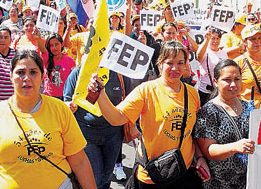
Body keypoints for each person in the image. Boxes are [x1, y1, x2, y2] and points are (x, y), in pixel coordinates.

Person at [87, 41, 210, 188]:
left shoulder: (192, 93)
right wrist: (100, 94)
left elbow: (191, 133)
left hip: (183, 172)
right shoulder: (146, 90)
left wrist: (200, 157)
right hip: (152, 175)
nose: (175, 68)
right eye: (169, 63)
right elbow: (116, 118)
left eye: (180, 63)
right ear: (160, 64)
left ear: (186, 65)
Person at [0, 50, 96, 189]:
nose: (27, 78)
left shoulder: (60, 110)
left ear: (43, 76)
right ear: (11, 76)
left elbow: (79, 162)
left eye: (33, 72)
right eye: (20, 72)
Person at [64, 66, 130, 188]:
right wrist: (70, 106)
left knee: (107, 175)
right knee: (96, 178)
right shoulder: (78, 72)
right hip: (87, 134)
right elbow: (67, 99)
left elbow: (129, 100)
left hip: (113, 134)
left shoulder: (120, 74)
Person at [194, 59, 254, 189]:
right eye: (227, 80)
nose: (233, 84)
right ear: (215, 82)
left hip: (248, 181)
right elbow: (208, 150)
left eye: (237, 79)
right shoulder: (208, 111)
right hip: (220, 183)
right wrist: (235, 147)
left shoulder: (249, 107)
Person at [235, 25, 261, 108]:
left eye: (260, 38)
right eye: (253, 39)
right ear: (244, 42)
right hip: (246, 111)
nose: (257, 42)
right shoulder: (238, 63)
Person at [196, 27, 228, 106]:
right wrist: (207, 39)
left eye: (218, 38)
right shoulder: (205, 52)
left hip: (219, 91)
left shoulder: (223, 53)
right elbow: (199, 56)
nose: (215, 41)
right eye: (212, 38)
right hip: (205, 92)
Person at [42, 33, 75, 100]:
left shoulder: (70, 61)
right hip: (49, 97)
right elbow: (43, 51)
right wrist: (37, 38)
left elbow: (73, 80)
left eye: (56, 44)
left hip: (65, 97)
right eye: (51, 45)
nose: (54, 48)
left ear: (62, 44)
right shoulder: (46, 59)